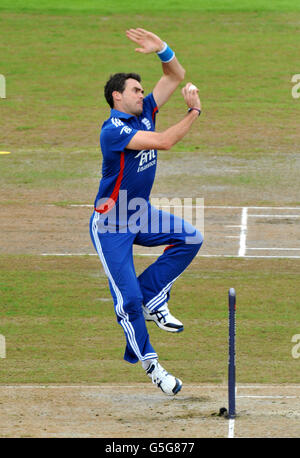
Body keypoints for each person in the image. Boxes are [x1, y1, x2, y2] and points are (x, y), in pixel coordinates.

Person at [90, 28, 203, 396]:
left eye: (142, 89)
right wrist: (194, 111)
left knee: (190, 238)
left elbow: (175, 75)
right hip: (111, 225)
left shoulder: (145, 111)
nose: (143, 94)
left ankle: (154, 297)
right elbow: (166, 141)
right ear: (116, 96)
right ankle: (153, 366)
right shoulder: (113, 131)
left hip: (139, 211)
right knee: (127, 302)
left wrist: (164, 50)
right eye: (136, 90)